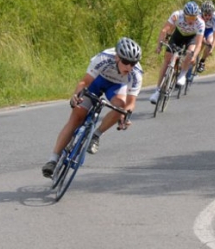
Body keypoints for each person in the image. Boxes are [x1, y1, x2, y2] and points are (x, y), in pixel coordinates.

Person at [41, 37, 143, 178]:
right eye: (125, 62)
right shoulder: (103, 58)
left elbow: (131, 101)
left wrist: (126, 115)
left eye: (133, 63)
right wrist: (76, 96)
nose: (129, 67)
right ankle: (52, 160)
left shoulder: (136, 73)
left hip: (116, 87)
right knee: (77, 117)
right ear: (117, 57)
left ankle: (96, 135)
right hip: (97, 81)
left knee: (121, 107)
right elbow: (85, 82)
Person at [149, 1, 205, 104]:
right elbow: (164, 30)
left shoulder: (200, 23)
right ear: (184, 14)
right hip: (178, 35)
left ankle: (183, 74)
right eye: (189, 17)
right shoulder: (176, 15)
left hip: (191, 38)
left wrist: (194, 56)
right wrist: (159, 45)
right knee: (167, 59)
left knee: (190, 52)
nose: (191, 21)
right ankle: (157, 91)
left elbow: (199, 43)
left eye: (194, 18)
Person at [195, 0, 215, 73]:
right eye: (205, 15)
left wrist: (212, 48)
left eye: (209, 15)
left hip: (210, 30)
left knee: (209, 43)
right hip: (200, 29)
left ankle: (202, 61)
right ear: (202, 12)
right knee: (199, 45)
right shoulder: (198, 15)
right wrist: (202, 38)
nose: (207, 17)